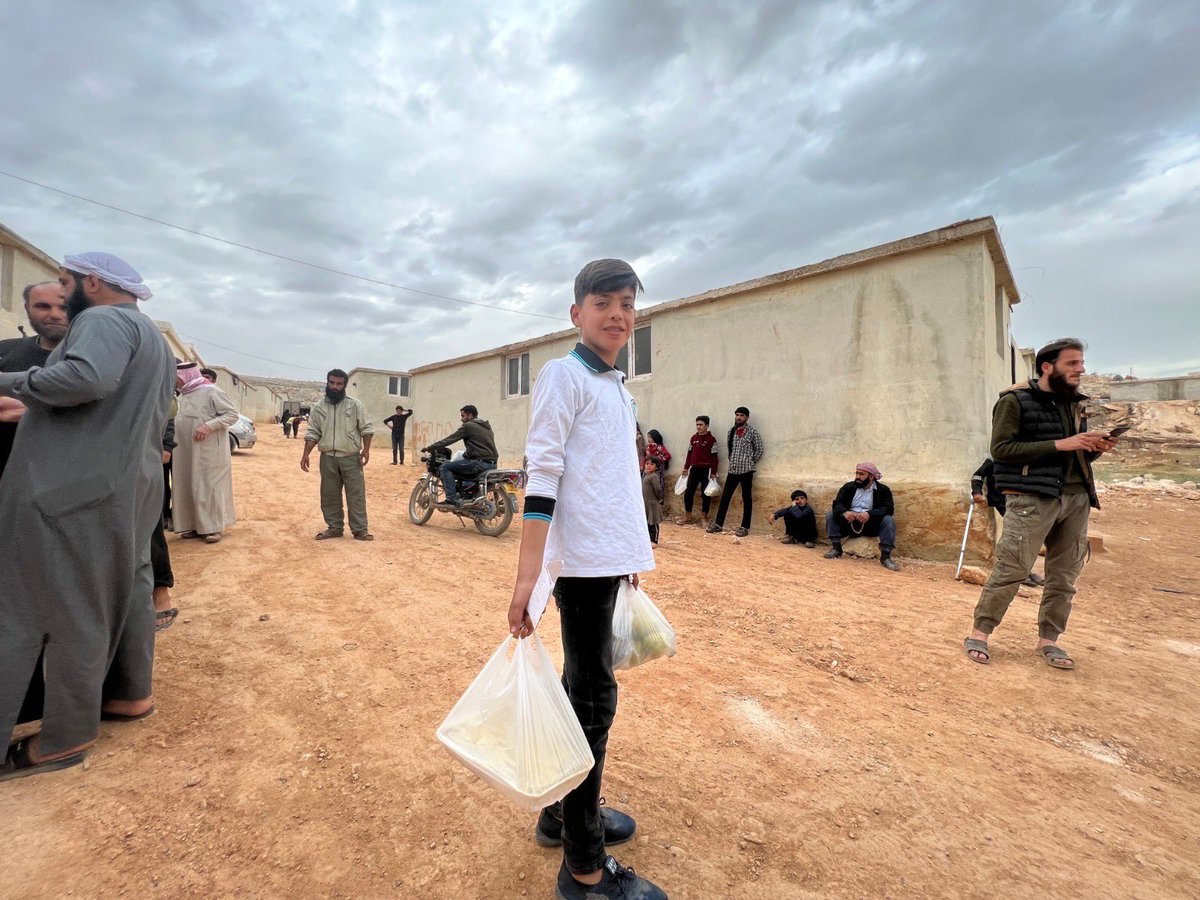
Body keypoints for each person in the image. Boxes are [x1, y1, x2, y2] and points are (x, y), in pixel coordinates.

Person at [506, 258, 666, 899]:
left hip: (605, 561)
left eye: (628, 304)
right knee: (593, 702)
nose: (619, 315)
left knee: (582, 693)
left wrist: (631, 549)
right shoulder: (562, 376)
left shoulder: (615, 387)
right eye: (604, 303)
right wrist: (527, 578)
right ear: (576, 314)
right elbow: (541, 476)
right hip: (578, 568)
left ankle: (561, 814)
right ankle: (585, 868)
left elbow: (610, 483)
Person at [0, 252, 173, 782]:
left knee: (48, 607)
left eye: (65, 281)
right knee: (121, 590)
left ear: (91, 282)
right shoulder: (153, 340)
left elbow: (86, 380)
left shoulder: (101, 319)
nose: (62, 290)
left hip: (72, 490)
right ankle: (127, 696)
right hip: (125, 488)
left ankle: (62, 737)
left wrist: (10, 381)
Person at [963, 338, 1116, 669]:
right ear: (1048, 366)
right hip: (1031, 498)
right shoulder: (1015, 401)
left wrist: (1095, 448)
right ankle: (980, 632)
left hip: (1076, 498)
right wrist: (1062, 443)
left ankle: (1049, 640)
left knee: (1064, 576)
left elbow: (1075, 453)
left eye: (1081, 362)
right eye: (1072, 363)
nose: (1081, 369)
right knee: (1012, 568)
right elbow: (1002, 450)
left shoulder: (1076, 405)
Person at [0, 282, 70, 477]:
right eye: (43, 306)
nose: (55, 314)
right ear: (27, 309)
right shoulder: (4, 351)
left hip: (66, 482)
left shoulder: (96, 361)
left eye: (64, 307)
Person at [301, 369, 374, 540]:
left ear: (345, 385)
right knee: (329, 494)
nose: (335, 387)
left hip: (351, 457)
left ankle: (360, 530)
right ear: (327, 383)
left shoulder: (355, 405)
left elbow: (367, 429)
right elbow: (313, 433)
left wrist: (366, 449)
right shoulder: (318, 408)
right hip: (328, 458)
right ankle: (334, 527)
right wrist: (306, 454)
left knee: (356, 495)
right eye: (332, 383)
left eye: (339, 384)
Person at [171, 362, 238, 544]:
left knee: (208, 487)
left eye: (178, 378)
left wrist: (208, 426)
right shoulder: (183, 395)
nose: (176, 381)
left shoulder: (211, 392)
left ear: (186, 376)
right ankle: (192, 525)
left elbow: (232, 414)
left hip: (209, 451)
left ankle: (213, 528)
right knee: (187, 484)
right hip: (186, 450)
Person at [972, 457, 1045, 587]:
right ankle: (1012, 573)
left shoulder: (1020, 461)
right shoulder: (993, 461)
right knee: (1008, 539)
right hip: (1002, 505)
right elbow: (977, 476)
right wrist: (976, 492)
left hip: (1021, 505)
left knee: (1024, 539)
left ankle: (1025, 572)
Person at [824, 462, 900, 570]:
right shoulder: (848, 487)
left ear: (871, 476)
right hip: (850, 523)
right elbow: (837, 503)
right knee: (831, 514)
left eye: (861, 474)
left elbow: (888, 508)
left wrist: (870, 514)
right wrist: (845, 512)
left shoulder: (883, 490)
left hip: (870, 524)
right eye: (857, 473)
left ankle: (885, 557)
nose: (858, 477)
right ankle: (836, 548)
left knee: (888, 520)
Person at [424, 405, 498, 507]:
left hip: (479, 463)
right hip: (492, 464)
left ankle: (451, 499)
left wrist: (431, 447)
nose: (461, 419)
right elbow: (482, 447)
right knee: (461, 460)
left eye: (463, 416)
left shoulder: (468, 426)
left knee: (445, 467)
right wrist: (466, 454)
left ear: (470, 415)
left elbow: (450, 439)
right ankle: (466, 494)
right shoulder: (486, 427)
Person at [707, 406, 764, 537]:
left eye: (742, 415)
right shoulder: (731, 432)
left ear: (747, 418)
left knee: (746, 498)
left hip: (746, 470)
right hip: (733, 470)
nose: (739, 417)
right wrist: (733, 461)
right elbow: (730, 449)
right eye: (737, 415)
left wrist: (750, 461)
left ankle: (745, 527)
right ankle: (718, 524)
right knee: (725, 497)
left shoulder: (752, 432)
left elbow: (759, 449)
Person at [680, 415, 718, 526]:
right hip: (694, 469)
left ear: (707, 425)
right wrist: (686, 467)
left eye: (701, 425)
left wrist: (714, 472)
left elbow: (714, 457)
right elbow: (689, 454)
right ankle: (688, 516)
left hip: (706, 470)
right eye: (697, 424)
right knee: (688, 493)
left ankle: (704, 517)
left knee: (705, 494)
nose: (698, 427)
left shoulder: (712, 440)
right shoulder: (693, 439)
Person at [645, 429, 670, 507]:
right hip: (648, 472)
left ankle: (659, 503)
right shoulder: (648, 447)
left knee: (658, 485)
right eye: (648, 437)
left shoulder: (659, 447)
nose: (648, 439)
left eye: (650, 437)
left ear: (655, 437)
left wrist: (658, 460)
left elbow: (667, 456)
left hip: (658, 472)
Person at [642, 457, 663, 545]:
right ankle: (648, 539)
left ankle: (654, 540)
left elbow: (658, 489)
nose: (649, 466)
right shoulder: (645, 475)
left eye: (652, 464)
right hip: (646, 503)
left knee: (653, 523)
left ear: (656, 467)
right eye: (647, 464)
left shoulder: (654, 476)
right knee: (647, 522)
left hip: (652, 503)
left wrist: (659, 498)